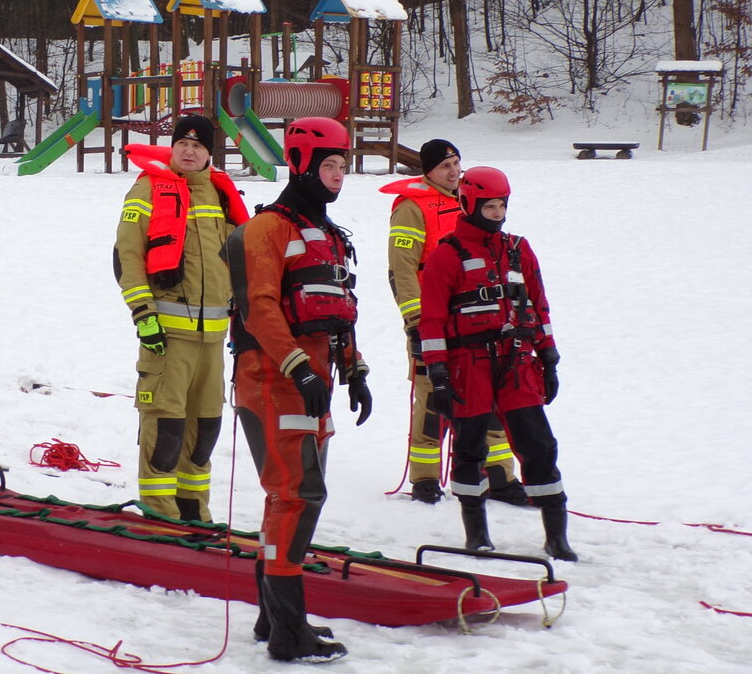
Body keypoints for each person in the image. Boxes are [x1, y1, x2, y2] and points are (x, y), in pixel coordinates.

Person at [227, 116, 372, 663]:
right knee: (296, 496)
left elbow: (340, 315)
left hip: (315, 382)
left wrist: (354, 370)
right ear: (299, 163)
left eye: (342, 166)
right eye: (329, 166)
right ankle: (288, 632)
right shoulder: (269, 230)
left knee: (291, 498)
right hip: (272, 380)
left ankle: (272, 618)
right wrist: (298, 367)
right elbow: (259, 307)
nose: (337, 176)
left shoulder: (331, 237)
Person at [417, 166, 577, 561]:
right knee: (470, 448)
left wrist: (549, 353)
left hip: (517, 359)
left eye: (502, 205)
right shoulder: (446, 255)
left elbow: (538, 305)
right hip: (466, 363)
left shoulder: (520, 249)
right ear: (469, 203)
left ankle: (556, 536)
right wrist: (437, 372)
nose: (497, 213)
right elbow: (432, 319)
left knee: (539, 445)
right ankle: (476, 533)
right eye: (489, 206)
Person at [113, 115, 249, 522]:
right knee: (165, 431)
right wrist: (143, 314)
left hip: (214, 339)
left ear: (210, 153)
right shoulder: (148, 188)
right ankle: (160, 514)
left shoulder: (221, 194)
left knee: (205, 430)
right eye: (182, 143)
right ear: (172, 148)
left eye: (199, 145)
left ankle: (194, 513)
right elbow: (127, 256)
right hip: (167, 337)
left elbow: (241, 263)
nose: (189, 151)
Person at [380, 139, 527, 506]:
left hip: (476, 320)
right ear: (427, 170)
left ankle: (498, 476)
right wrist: (416, 319)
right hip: (432, 319)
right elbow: (401, 269)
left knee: (490, 395)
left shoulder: (470, 202)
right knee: (432, 398)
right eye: (446, 166)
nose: (454, 172)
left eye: (457, 164)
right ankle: (426, 478)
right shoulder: (412, 208)